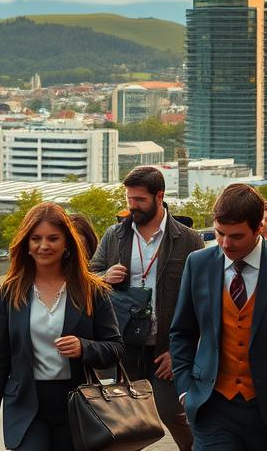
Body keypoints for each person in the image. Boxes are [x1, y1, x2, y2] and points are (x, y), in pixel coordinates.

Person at [169, 183, 267, 449]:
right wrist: (186, 389)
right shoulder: (197, 264)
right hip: (212, 406)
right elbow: (181, 332)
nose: (225, 243)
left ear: (258, 229)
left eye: (236, 236)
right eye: (220, 233)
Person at [0, 203, 123, 450]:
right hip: (25, 405)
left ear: (67, 243)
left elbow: (116, 347)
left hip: (77, 405)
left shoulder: (92, 290)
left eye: (52, 238)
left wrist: (84, 347)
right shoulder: (10, 292)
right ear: (26, 243)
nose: (43, 246)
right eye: (36, 239)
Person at [90, 167, 204, 451]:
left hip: (167, 345)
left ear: (160, 196)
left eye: (139, 200)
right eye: (129, 199)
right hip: (125, 342)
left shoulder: (189, 240)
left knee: (172, 412)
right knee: (127, 417)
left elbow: (202, 300)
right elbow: (88, 275)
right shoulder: (114, 235)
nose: (132, 206)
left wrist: (181, 350)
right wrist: (104, 277)